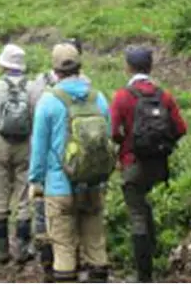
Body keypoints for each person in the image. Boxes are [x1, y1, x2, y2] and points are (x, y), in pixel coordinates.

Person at [29, 44, 112, 283]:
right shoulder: (98, 98)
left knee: (63, 247)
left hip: (59, 186)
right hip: (93, 183)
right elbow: (107, 139)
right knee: (96, 244)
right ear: (80, 66)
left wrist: (36, 180)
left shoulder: (49, 101)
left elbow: (39, 147)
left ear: (55, 70)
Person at [110, 46, 188, 282]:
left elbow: (113, 132)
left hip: (133, 163)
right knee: (150, 208)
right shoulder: (164, 95)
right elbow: (180, 128)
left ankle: (144, 275)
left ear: (128, 67)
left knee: (137, 215)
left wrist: (125, 146)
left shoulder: (123, 96)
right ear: (151, 67)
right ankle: (157, 255)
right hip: (160, 164)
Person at [0, 44, 33, 266]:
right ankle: (22, 249)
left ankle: (2, 251)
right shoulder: (32, 88)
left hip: (0, 147)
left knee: (1, 197)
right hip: (26, 147)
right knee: (23, 198)